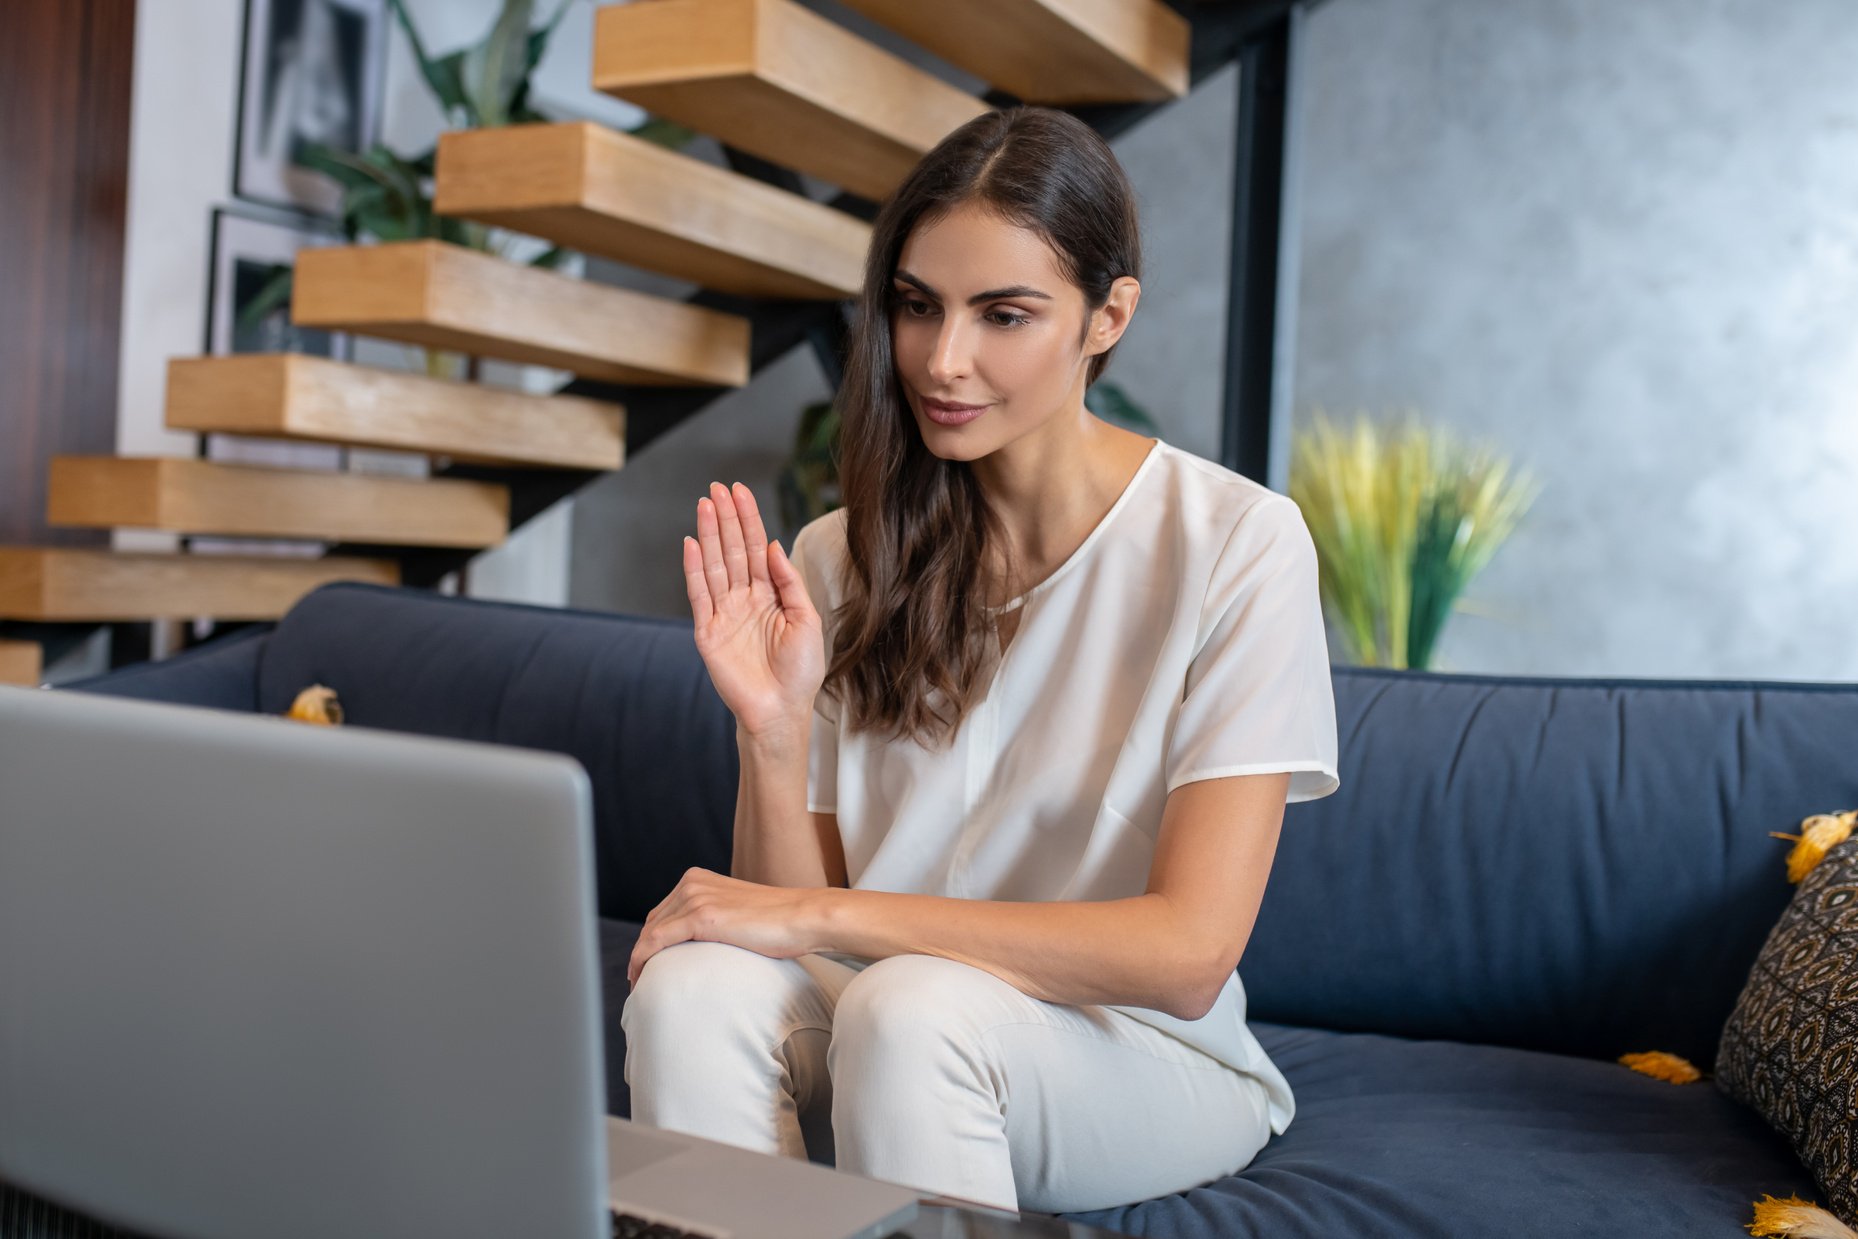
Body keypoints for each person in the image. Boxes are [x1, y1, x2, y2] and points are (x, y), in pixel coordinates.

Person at [620, 105, 1340, 1217]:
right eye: (918, 307)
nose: (942, 360)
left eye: (1003, 314)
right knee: (691, 991)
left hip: (1132, 1055)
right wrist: (772, 731)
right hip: (880, 1021)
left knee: (911, 1011)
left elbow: (1189, 952)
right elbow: (785, 920)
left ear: (1107, 317)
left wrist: (827, 920)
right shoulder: (838, 556)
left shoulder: (1236, 544)